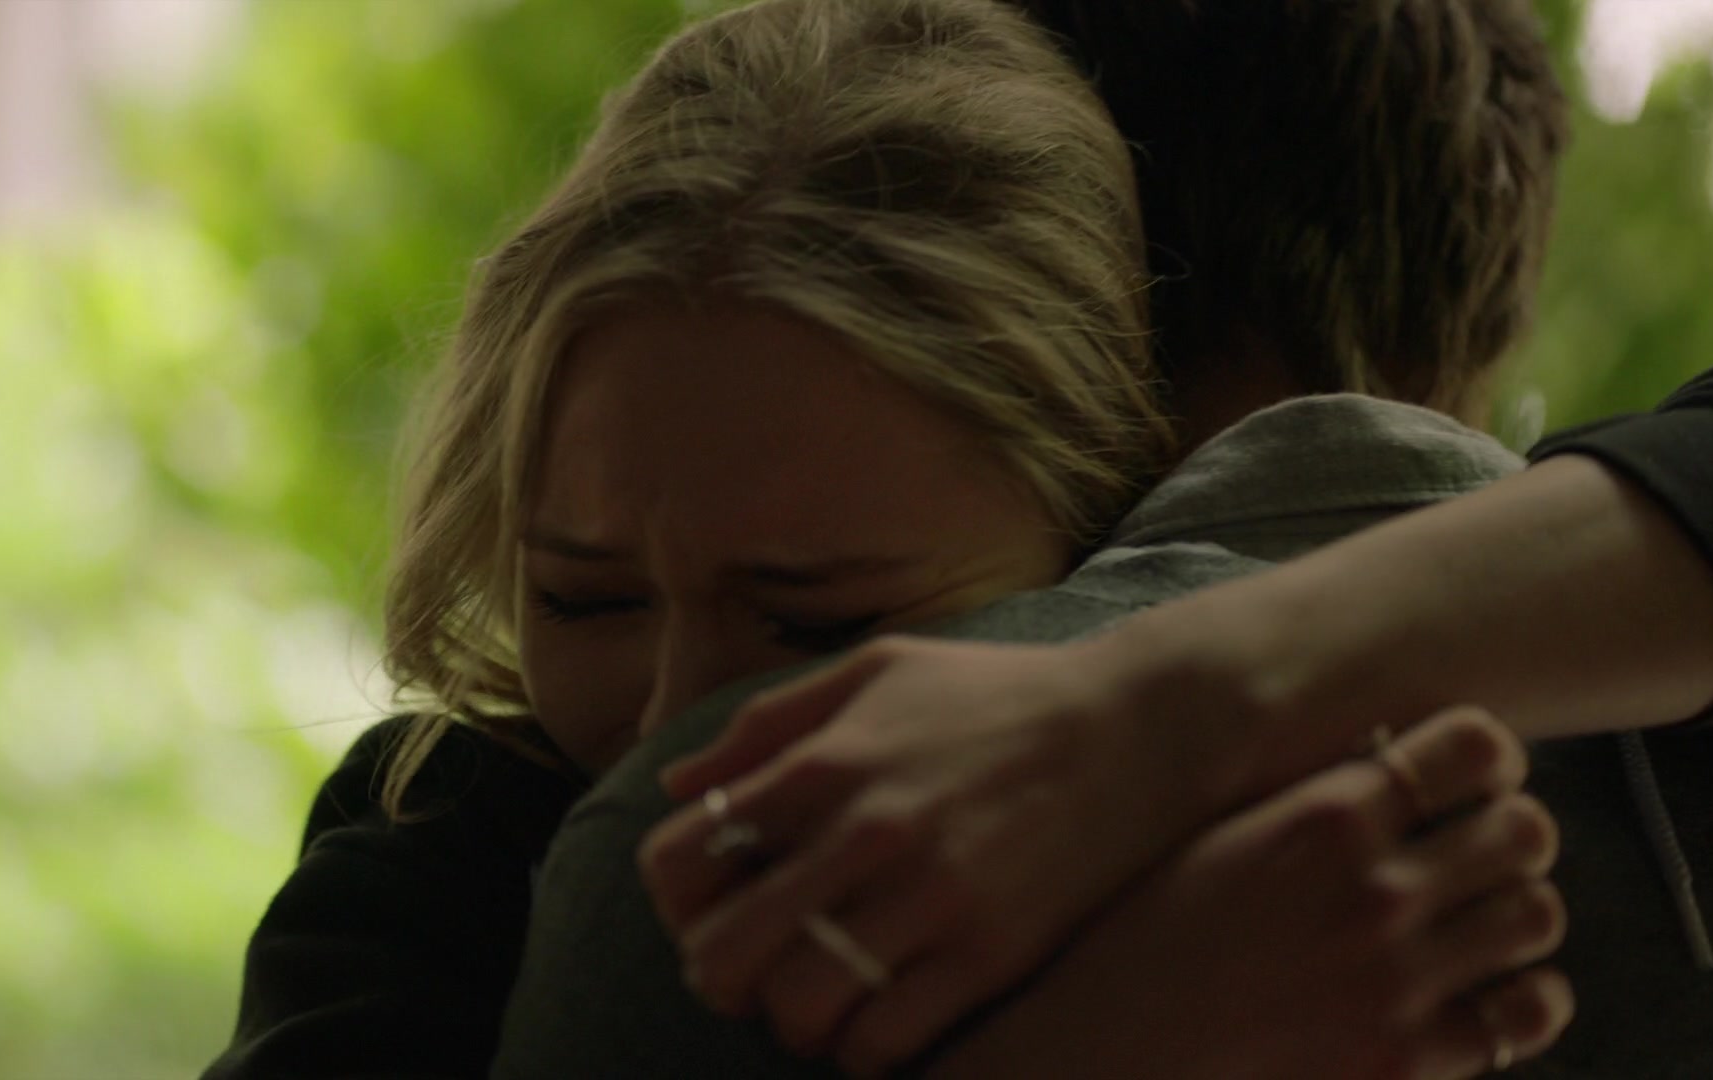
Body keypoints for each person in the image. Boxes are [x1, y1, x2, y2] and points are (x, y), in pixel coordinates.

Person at [203, 1, 1580, 1077]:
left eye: (817, 623)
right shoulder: (436, 861)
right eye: (585, 598)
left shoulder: (1400, 866)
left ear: (1120, 519)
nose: (672, 726)